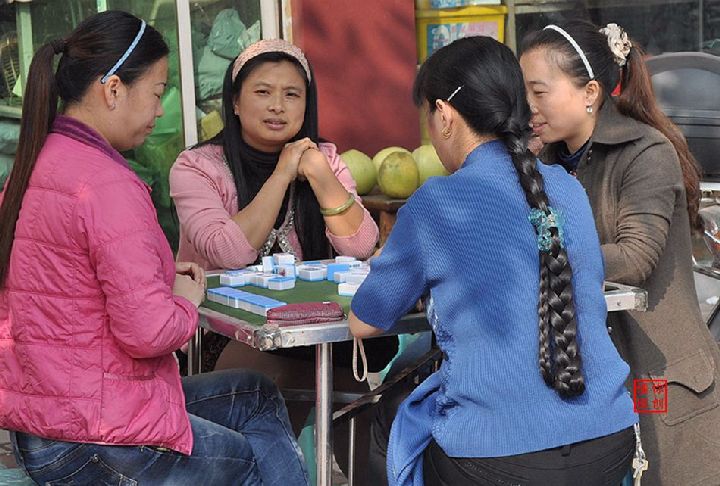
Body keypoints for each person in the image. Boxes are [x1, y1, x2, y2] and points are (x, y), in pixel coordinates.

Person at [0, 11, 307, 485]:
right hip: (96, 436)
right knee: (243, 462)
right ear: (113, 89)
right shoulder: (107, 183)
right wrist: (184, 302)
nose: (161, 109)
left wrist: (160, 281)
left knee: (255, 394)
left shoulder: (35, 165)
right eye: (157, 91)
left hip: (47, 419)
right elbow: (149, 333)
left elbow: (71, 288)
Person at [349, 36, 638, 486]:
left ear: (444, 114)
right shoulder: (565, 188)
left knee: (387, 417)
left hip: (495, 458)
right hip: (608, 440)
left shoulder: (437, 201)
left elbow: (364, 322)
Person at [520, 20, 720, 485]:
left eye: (539, 92)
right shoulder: (545, 162)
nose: (529, 107)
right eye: (524, 93)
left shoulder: (646, 152)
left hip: (657, 376)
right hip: (587, 375)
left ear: (590, 92)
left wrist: (538, 260)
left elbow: (634, 258)